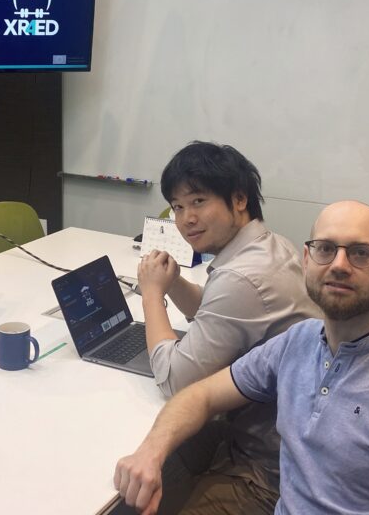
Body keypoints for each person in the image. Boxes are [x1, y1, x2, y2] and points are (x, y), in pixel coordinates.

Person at [116, 200, 369, 515]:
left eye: (361, 253)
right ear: (307, 260)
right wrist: (151, 451)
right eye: (326, 249)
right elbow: (202, 395)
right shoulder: (298, 341)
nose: (339, 264)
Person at [136, 141, 319, 513]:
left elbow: (175, 380)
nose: (186, 218)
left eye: (198, 201)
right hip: (286, 437)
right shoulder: (270, 246)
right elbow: (217, 313)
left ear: (239, 199)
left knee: (149, 445)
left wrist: (151, 294)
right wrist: (173, 282)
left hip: (271, 469)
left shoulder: (242, 278)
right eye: (177, 206)